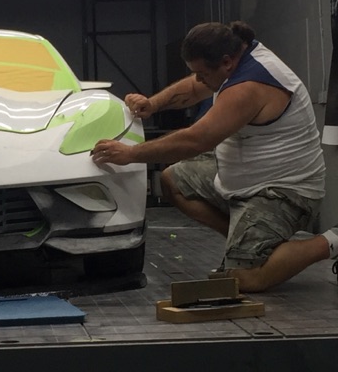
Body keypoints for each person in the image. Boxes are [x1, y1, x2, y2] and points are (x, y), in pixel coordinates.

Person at [91, 21, 337, 292]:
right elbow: (195, 88)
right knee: (173, 181)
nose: (198, 79)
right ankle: (244, 244)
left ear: (227, 62)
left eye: (202, 73)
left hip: (282, 191)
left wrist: (130, 153)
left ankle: (331, 241)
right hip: (243, 177)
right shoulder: (237, 58)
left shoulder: (249, 86)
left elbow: (196, 140)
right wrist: (153, 104)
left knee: (244, 278)